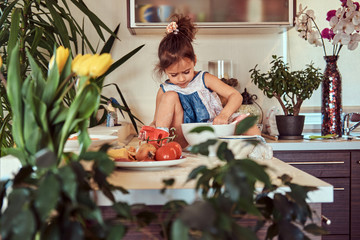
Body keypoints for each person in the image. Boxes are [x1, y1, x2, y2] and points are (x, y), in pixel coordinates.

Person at [145, 14, 260, 148]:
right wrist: (151, 129)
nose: (181, 79)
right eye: (174, 75)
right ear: (164, 70)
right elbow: (156, 121)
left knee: (249, 125)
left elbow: (235, 96)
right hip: (183, 139)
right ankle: (162, 143)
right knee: (169, 96)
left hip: (214, 130)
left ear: (194, 60)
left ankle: (257, 153)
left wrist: (224, 115)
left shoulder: (203, 79)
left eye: (186, 72)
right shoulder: (165, 90)